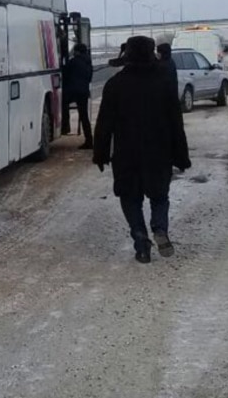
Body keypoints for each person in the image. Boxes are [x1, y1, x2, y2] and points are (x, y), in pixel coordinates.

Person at [93, 36, 191, 263]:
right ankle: (159, 227)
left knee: (129, 197)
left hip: (126, 154)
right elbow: (176, 123)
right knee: (159, 196)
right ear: (151, 53)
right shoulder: (164, 82)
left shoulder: (115, 84)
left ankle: (140, 240)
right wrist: (181, 156)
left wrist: (100, 152)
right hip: (159, 152)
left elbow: (104, 123)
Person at [60, 43, 94, 147]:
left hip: (72, 91)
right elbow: (89, 78)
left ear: (77, 51)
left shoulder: (73, 62)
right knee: (84, 116)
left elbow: (64, 73)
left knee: (62, 104)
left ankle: (65, 126)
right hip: (83, 92)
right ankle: (89, 140)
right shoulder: (88, 63)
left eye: (74, 51)